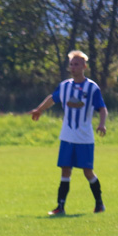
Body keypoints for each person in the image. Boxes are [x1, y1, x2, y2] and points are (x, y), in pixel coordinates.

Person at [30, 50, 108, 215]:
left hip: (84, 138)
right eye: (71, 64)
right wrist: (39, 110)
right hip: (67, 136)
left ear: (84, 66)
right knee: (65, 169)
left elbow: (102, 108)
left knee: (87, 172)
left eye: (77, 64)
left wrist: (102, 124)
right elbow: (53, 98)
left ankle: (99, 204)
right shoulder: (65, 86)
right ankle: (60, 206)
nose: (73, 67)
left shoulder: (92, 87)